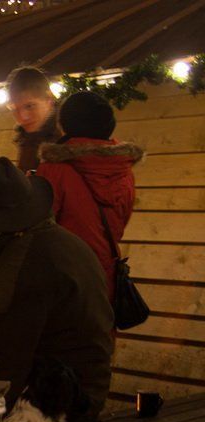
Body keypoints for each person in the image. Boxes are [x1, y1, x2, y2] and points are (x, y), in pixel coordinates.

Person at [0, 157, 114, 422]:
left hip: (55, 404)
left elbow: (7, 356)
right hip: (87, 389)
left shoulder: (20, 262)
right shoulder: (67, 242)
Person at [37, 91, 141, 302]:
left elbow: (39, 227)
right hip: (106, 275)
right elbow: (121, 219)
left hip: (65, 277)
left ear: (65, 124)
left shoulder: (55, 168)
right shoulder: (123, 170)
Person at [6, 66, 61, 172]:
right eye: (15, 109)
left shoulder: (68, 140)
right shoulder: (26, 141)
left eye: (30, 106)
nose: (23, 116)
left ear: (49, 100)